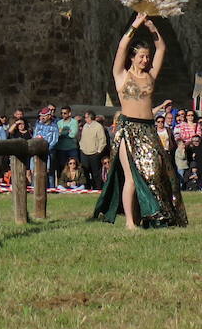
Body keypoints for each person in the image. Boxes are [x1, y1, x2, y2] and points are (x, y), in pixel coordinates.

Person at [92, 12, 187, 228]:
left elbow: (162, 48)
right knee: (132, 177)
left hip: (149, 129)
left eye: (147, 56)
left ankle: (156, 213)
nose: (145, 60)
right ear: (133, 57)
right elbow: (121, 47)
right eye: (141, 56)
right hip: (128, 128)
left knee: (157, 172)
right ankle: (130, 222)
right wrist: (135, 25)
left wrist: (152, 28)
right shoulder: (122, 75)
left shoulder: (150, 75)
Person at [79, 110, 108, 190]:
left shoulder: (98, 127)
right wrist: (81, 147)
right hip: (84, 152)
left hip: (94, 153)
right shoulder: (85, 126)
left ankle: (97, 188)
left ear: (90, 117)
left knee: (95, 173)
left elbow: (102, 140)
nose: (85, 119)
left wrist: (98, 151)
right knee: (85, 172)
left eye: (86, 117)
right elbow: (82, 138)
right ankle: (87, 187)